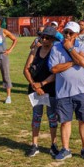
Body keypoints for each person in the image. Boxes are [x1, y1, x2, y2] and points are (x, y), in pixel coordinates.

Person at [49, 21, 84, 161]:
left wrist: (69, 49)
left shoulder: (82, 46)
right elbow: (54, 69)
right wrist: (74, 61)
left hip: (81, 90)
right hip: (63, 91)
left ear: (76, 34)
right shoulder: (56, 47)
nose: (67, 35)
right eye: (65, 32)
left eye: (70, 33)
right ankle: (65, 149)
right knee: (65, 121)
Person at [23, 26, 59, 158]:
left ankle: (53, 145)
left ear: (53, 39)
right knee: (36, 116)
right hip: (35, 90)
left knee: (52, 117)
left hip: (50, 89)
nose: (44, 40)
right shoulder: (35, 50)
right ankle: (34, 145)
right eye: (42, 37)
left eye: (47, 38)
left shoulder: (56, 52)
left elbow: (56, 73)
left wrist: (42, 84)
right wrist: (34, 85)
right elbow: (26, 69)